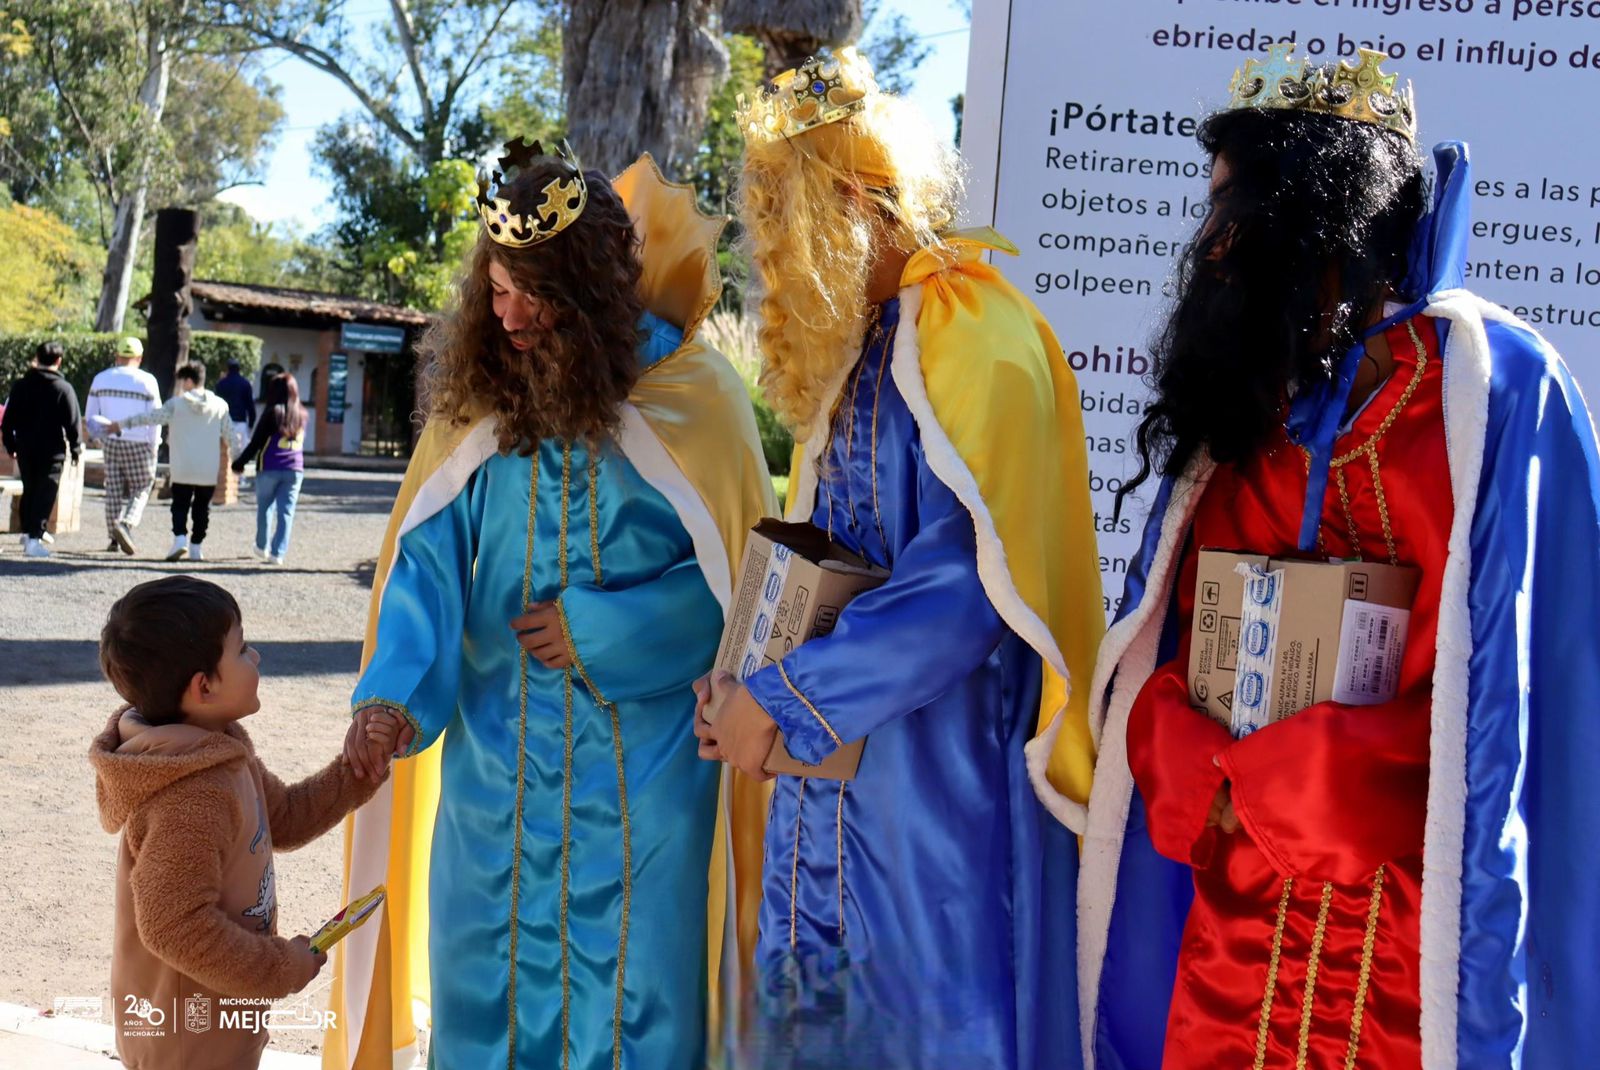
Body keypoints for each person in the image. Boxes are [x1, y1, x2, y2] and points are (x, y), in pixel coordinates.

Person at [1079, 46, 1600, 1070]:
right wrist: (1197, 751)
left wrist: (1321, 773)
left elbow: (1529, 703)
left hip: (1407, 958)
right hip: (1235, 951)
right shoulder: (1250, 403)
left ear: (1318, 212)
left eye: (1234, 213)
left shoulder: (1487, 388)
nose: (1211, 248)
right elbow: (1170, 655)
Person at [321, 142, 774, 1070]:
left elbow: (744, 580)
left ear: (595, 287)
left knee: (640, 996)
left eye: (535, 292)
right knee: (483, 985)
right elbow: (427, 562)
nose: (511, 316)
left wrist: (605, 629)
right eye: (494, 291)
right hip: (498, 767)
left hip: (648, 770)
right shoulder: (479, 399)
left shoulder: (695, 395)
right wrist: (390, 696)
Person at [695, 49, 1104, 1070]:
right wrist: (748, 677)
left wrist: (785, 697)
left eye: (782, 216)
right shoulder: (867, 341)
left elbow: (968, 586)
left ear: (853, 203)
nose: (769, 251)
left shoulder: (974, 335)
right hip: (829, 784)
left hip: (932, 805)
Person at [89, 576, 391, 1069]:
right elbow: (175, 926)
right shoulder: (192, 793)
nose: (257, 658)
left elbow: (284, 816)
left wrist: (358, 772)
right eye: (242, 648)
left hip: (217, 1023)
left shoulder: (216, 750)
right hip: (188, 1042)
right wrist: (279, 968)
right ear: (203, 686)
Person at [110, 362, 234, 562]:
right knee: (202, 509)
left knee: (180, 505)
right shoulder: (220, 405)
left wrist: (122, 424)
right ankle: (196, 547)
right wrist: (238, 460)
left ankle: (179, 539)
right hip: (207, 468)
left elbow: (150, 417)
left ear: (188, 380)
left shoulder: (175, 405)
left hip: (182, 466)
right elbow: (231, 435)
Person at [2, 340, 82, 558]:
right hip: (52, 450)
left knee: (30, 489)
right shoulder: (63, 388)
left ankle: (29, 531)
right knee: (45, 493)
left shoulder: (21, 385)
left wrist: (11, 445)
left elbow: (8, 420)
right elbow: (73, 422)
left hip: (26, 448)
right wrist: (75, 449)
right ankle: (34, 537)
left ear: (37, 359)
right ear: (59, 361)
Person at [85, 336, 162, 555]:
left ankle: (113, 538)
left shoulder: (101, 379)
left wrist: (97, 436)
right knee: (142, 486)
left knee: (114, 488)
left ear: (117, 356)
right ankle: (127, 524)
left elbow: (91, 415)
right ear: (138, 358)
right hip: (139, 441)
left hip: (110, 441)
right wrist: (154, 443)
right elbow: (155, 417)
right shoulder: (148, 381)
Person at [232, 373, 306, 565]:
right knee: (286, 512)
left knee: (265, 508)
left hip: (269, 467)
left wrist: (239, 463)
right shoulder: (302, 415)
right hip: (295, 469)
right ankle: (278, 553)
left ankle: (261, 546)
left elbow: (256, 443)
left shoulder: (273, 413)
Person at [214, 358, 257, 457]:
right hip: (241, 423)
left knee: (223, 456)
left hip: (223, 423)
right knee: (239, 456)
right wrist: (251, 423)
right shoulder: (245, 384)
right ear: (239, 369)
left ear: (227, 369)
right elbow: (250, 406)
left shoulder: (220, 384)